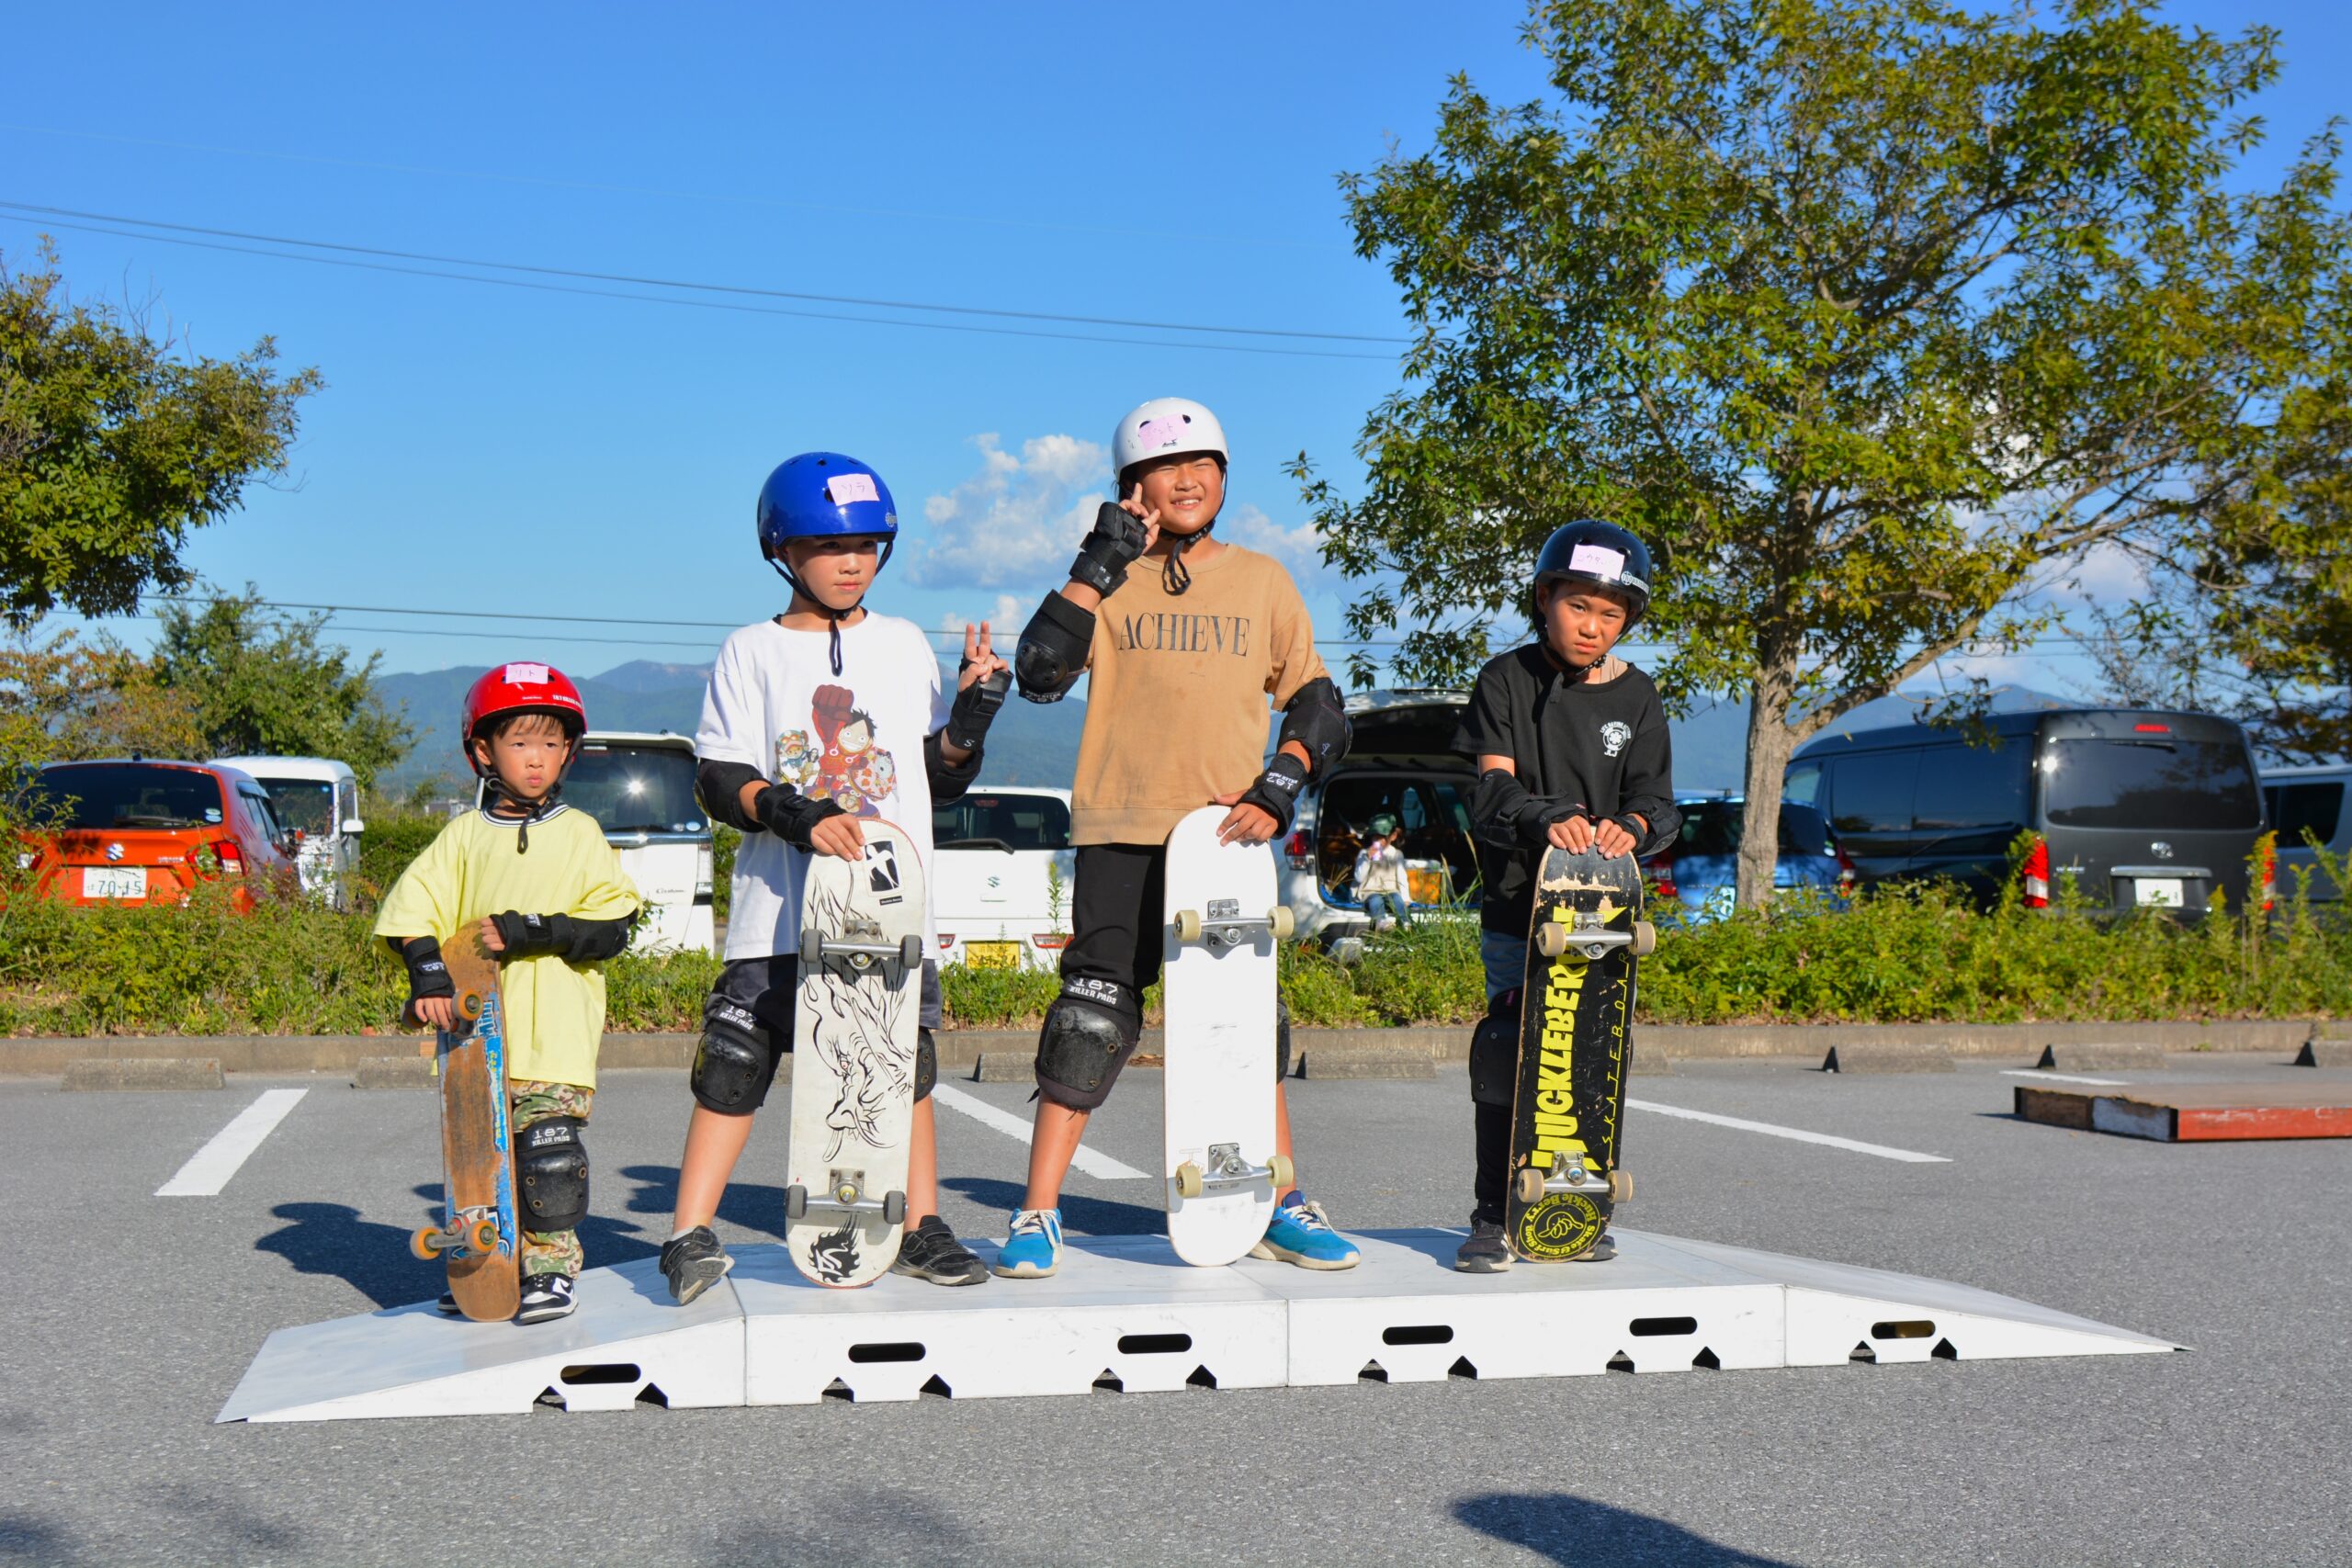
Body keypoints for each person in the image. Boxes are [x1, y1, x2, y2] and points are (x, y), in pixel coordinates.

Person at [1000, 395, 1359, 1278]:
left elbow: (1318, 700)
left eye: (1205, 465)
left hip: (1225, 840)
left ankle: (1278, 1198)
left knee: (1244, 1025)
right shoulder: (1108, 578)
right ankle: (1038, 1211)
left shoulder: (1265, 579)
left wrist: (1282, 781)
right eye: (1166, 467)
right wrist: (1096, 563)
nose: (1188, 479)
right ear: (1133, 485)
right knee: (1089, 1019)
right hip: (1121, 825)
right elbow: (1040, 674)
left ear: (1226, 478)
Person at [660, 451, 1011, 1304]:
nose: (851, 561)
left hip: (887, 908)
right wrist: (796, 813)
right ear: (782, 549)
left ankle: (920, 1224)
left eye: (867, 544)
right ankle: (687, 1231)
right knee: (737, 1060)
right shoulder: (753, 651)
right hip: (779, 910)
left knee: (905, 1064)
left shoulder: (901, 645)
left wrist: (970, 713)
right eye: (827, 544)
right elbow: (719, 777)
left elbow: (940, 775)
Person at [378, 662, 642, 1324]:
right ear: (482, 751)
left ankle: (549, 1269)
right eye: (521, 742)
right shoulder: (463, 837)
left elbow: (613, 925)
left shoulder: (579, 832)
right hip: (477, 1036)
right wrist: (429, 973)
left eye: (552, 744)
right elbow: (414, 909)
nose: (537, 758)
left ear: (569, 755)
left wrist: (535, 929)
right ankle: (489, 1263)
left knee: (547, 1152)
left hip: (555, 1032)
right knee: (477, 1160)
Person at [1453, 521, 1679, 1273]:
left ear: (1629, 621)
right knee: (1508, 1050)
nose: (1592, 626)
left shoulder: (1640, 695)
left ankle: (1573, 1202)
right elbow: (1491, 790)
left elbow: (1659, 802)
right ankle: (1493, 1213)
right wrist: (1546, 815)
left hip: (1605, 912)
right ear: (1545, 598)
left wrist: (1633, 826)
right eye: (1579, 606)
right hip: (1523, 905)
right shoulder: (1506, 680)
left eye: (1610, 614)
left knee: (1592, 1055)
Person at [1354, 813, 1409, 931]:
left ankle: (1404, 921)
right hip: (1369, 890)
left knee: (1396, 898)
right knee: (1375, 900)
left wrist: (1406, 897)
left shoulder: (1396, 854)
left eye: (1382, 837)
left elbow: (1401, 876)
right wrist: (1367, 859)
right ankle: (1381, 921)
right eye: (1375, 837)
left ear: (1393, 836)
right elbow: (1359, 878)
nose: (1378, 840)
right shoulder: (1364, 853)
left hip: (1390, 889)